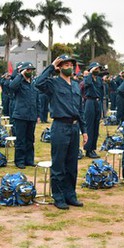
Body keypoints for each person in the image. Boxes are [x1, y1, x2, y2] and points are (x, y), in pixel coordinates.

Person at [35, 55, 88, 210]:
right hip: (60, 126)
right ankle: (58, 196)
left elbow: (80, 110)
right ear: (59, 67)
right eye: (65, 65)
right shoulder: (53, 83)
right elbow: (38, 83)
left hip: (74, 126)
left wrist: (84, 131)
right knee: (59, 164)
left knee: (72, 164)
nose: (69, 67)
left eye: (71, 64)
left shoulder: (76, 85)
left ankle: (70, 195)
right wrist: (52, 66)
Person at [9, 62, 39, 168]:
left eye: (31, 70)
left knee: (30, 139)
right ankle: (20, 161)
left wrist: (38, 114)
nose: (29, 72)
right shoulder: (19, 82)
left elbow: (36, 99)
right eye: (28, 70)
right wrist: (20, 75)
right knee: (21, 139)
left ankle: (29, 159)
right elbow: (11, 87)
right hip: (20, 115)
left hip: (32, 115)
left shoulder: (33, 83)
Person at [83, 62, 103, 158]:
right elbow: (87, 84)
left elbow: (101, 92)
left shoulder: (99, 79)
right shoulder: (88, 78)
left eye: (98, 69)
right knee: (89, 126)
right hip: (90, 101)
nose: (97, 70)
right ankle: (88, 149)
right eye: (96, 69)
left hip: (97, 102)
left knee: (96, 127)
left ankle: (93, 149)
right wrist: (90, 73)